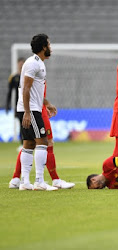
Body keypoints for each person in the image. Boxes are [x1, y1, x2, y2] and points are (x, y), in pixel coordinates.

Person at [9, 82, 75, 190]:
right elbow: (29, 91)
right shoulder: (35, 67)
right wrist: (45, 104)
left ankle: (16, 179)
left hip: (36, 107)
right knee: (46, 143)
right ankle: (54, 180)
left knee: (29, 144)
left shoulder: (36, 68)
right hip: (37, 109)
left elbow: (36, 93)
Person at [16, 33, 57, 191]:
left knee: (29, 143)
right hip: (31, 109)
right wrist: (27, 112)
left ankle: (25, 182)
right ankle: (39, 181)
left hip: (30, 107)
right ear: (43, 47)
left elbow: (35, 90)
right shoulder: (34, 64)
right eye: (49, 44)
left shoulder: (38, 63)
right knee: (43, 142)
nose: (50, 47)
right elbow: (26, 88)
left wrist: (47, 103)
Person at [6, 57, 25, 146]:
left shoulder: (27, 77)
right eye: (20, 63)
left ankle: (29, 143)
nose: (21, 65)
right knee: (21, 124)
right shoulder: (14, 78)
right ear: (17, 64)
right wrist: (7, 104)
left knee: (28, 125)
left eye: (22, 63)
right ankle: (22, 143)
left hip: (28, 104)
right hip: (19, 105)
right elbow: (10, 92)